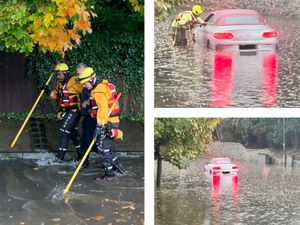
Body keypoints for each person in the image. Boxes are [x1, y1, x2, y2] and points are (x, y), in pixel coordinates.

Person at [77, 67, 124, 180]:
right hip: (111, 121)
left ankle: (109, 175)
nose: (84, 86)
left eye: (85, 84)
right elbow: (102, 103)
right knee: (103, 146)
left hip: (108, 123)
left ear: (92, 80)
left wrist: (99, 126)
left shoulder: (98, 91)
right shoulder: (103, 86)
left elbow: (103, 109)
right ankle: (116, 166)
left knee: (103, 148)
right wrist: (88, 103)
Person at [47, 63, 83, 161]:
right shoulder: (60, 83)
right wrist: (48, 91)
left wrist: (84, 106)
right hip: (66, 110)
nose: (58, 76)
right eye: (57, 74)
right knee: (73, 132)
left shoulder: (75, 81)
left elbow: (85, 92)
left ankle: (60, 157)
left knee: (64, 131)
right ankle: (82, 156)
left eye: (60, 74)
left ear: (66, 73)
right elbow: (56, 95)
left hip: (74, 110)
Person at [76, 63, 97, 168]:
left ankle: (112, 163)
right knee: (84, 140)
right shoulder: (85, 85)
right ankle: (84, 162)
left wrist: (88, 102)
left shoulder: (95, 87)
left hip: (94, 118)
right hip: (87, 116)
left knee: (91, 140)